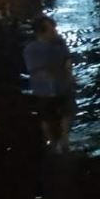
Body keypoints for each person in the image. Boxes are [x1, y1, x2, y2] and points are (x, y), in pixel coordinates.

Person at [23, 15, 76, 153]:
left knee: (67, 112)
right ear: (41, 32)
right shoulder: (31, 49)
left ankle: (64, 141)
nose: (55, 32)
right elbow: (36, 70)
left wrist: (68, 73)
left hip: (63, 85)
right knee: (47, 118)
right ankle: (53, 145)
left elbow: (67, 58)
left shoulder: (59, 42)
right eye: (52, 30)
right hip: (43, 90)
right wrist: (52, 80)